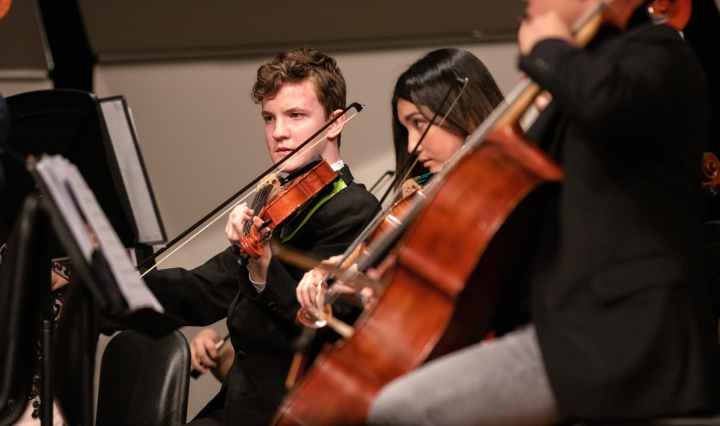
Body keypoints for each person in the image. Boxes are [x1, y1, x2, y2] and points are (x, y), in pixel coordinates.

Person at [367, 1, 720, 425]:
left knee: (404, 408)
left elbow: (607, 103)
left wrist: (550, 49)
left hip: (626, 332)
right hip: (566, 329)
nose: (531, 5)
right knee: (392, 402)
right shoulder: (578, 78)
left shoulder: (657, 50)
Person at [144, 48, 379, 426]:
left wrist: (263, 267)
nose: (278, 133)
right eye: (269, 118)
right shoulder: (276, 198)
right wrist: (108, 284)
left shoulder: (355, 210)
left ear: (335, 123)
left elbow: (314, 333)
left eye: (296, 116)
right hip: (237, 407)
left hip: (289, 413)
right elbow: (203, 289)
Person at [295, 48, 505, 325]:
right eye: (406, 129)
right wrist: (338, 269)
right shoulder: (420, 196)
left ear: (465, 113)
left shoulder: (501, 195)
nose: (411, 146)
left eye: (419, 123)